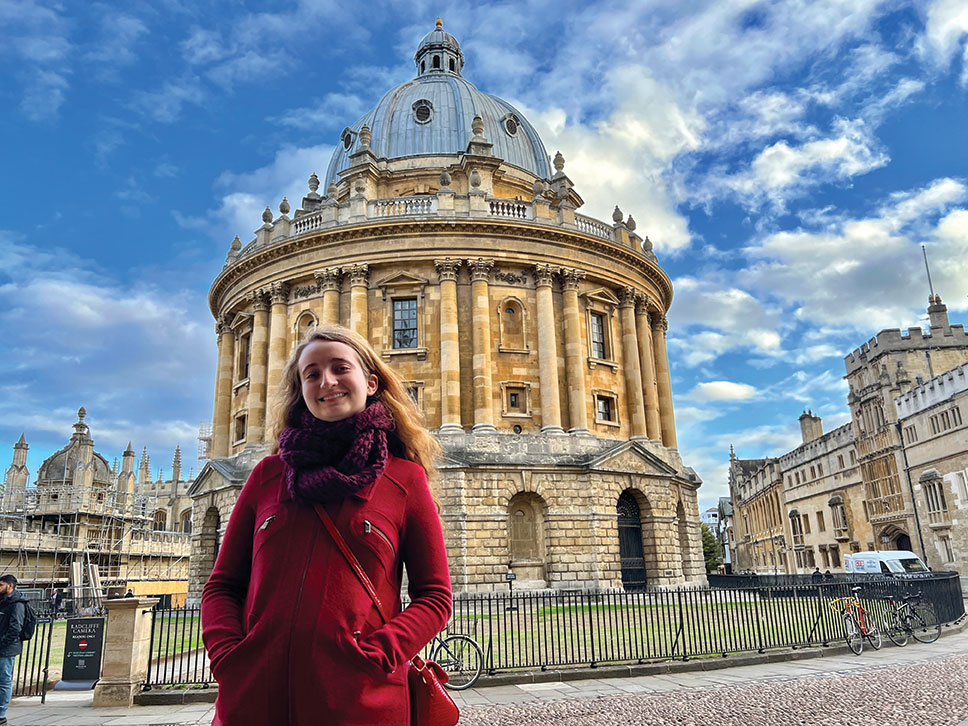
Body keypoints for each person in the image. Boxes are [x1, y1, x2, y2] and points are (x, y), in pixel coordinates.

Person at [202, 325, 452, 726]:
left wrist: (376, 657)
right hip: (255, 702)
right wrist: (230, 658)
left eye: (340, 368)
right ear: (301, 388)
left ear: (371, 382)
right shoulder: (267, 475)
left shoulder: (404, 480)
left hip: (361, 704)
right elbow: (222, 585)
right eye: (312, 373)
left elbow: (435, 596)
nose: (327, 382)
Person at [0, 574, 27, 726]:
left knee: (4, 680)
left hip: (6, 649)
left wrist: (3, 643)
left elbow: (15, 628)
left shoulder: (17, 603)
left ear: (9, 586)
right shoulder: (3, 602)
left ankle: (1, 714)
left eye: (1, 585)